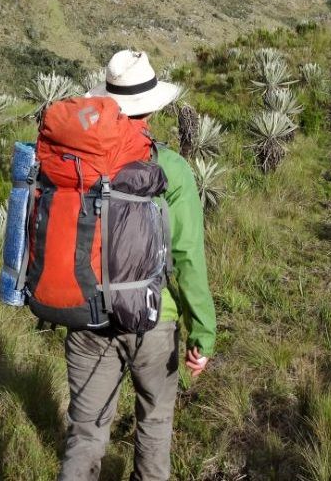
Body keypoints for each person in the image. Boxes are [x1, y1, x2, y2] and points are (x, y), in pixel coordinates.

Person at [57, 49, 217, 481]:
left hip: (87, 319)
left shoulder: (75, 161)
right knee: (154, 427)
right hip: (154, 321)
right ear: (151, 107)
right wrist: (202, 330)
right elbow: (186, 259)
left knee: (86, 434)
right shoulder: (171, 167)